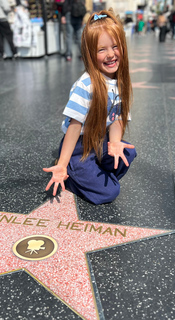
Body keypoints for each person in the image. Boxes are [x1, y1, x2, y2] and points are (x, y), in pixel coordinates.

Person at [43, 10, 136, 205]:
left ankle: (92, 173)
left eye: (115, 46)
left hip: (100, 140)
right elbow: (74, 127)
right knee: (109, 192)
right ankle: (71, 174)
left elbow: (117, 117)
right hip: (80, 146)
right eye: (101, 49)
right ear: (89, 53)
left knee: (127, 152)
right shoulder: (86, 86)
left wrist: (116, 142)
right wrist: (61, 164)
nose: (110, 54)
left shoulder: (119, 81)